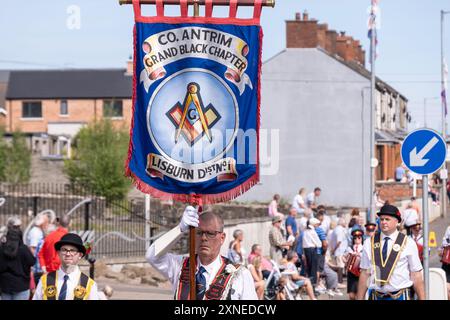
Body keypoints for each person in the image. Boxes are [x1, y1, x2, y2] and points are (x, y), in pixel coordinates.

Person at [146, 207, 257, 300]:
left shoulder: (240, 274)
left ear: (222, 238)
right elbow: (151, 256)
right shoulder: (180, 265)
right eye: (199, 233)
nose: (204, 238)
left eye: (210, 233)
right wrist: (180, 229)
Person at [357, 204, 425, 300]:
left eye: (387, 219)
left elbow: (416, 274)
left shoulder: (408, 242)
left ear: (396, 221)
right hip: (376, 296)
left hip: (400, 296)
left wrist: (422, 298)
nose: (384, 222)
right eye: (381, 219)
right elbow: (364, 273)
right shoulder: (369, 243)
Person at [33, 233, 99, 300]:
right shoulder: (45, 281)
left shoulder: (89, 285)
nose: (68, 254)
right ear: (58, 253)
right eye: (64, 250)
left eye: (72, 250)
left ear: (80, 255)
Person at [0, 217, 36, 300]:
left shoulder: (2, 248)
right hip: (21, 286)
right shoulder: (23, 249)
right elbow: (32, 261)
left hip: (5, 285)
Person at [26, 213, 50, 286]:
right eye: (46, 222)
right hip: (36, 269)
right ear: (42, 223)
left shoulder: (38, 231)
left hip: (38, 267)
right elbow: (32, 249)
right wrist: (32, 267)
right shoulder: (35, 232)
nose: (47, 224)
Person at [344, 228, 364, 300]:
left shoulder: (364, 248)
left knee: (360, 295)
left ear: (362, 238)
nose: (357, 240)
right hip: (351, 273)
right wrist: (346, 259)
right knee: (351, 295)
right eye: (355, 238)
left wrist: (359, 255)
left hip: (361, 273)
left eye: (359, 238)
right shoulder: (349, 248)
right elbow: (344, 258)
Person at [302, 217, 322, 288]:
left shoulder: (305, 231)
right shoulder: (312, 232)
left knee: (309, 269)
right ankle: (313, 286)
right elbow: (319, 243)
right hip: (312, 250)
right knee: (314, 269)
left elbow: (303, 243)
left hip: (306, 250)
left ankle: (309, 285)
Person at [330, 217, 348, 286]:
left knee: (341, 266)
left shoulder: (340, 229)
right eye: (345, 222)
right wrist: (334, 250)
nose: (346, 223)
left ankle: (339, 282)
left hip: (341, 251)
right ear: (341, 222)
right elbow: (339, 241)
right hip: (339, 251)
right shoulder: (339, 230)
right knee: (340, 267)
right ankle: (339, 283)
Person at [438, 225, 450, 299]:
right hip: (447, 264)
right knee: (446, 288)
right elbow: (443, 246)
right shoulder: (449, 228)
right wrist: (442, 251)